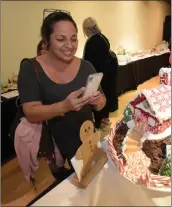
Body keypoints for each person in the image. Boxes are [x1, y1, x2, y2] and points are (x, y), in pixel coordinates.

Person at [17, 12, 106, 179]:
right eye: (60, 39)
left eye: (73, 39)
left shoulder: (86, 66)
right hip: (55, 149)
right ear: (46, 40)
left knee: (93, 184)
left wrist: (98, 101)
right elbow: (30, 111)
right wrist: (64, 106)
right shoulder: (31, 68)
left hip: (87, 140)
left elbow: (102, 103)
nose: (69, 45)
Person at [82, 17, 118, 129]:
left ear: (86, 29)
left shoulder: (92, 41)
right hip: (106, 74)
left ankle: (98, 123)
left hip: (96, 75)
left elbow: (88, 61)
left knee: (96, 97)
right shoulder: (103, 37)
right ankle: (105, 119)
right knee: (105, 95)